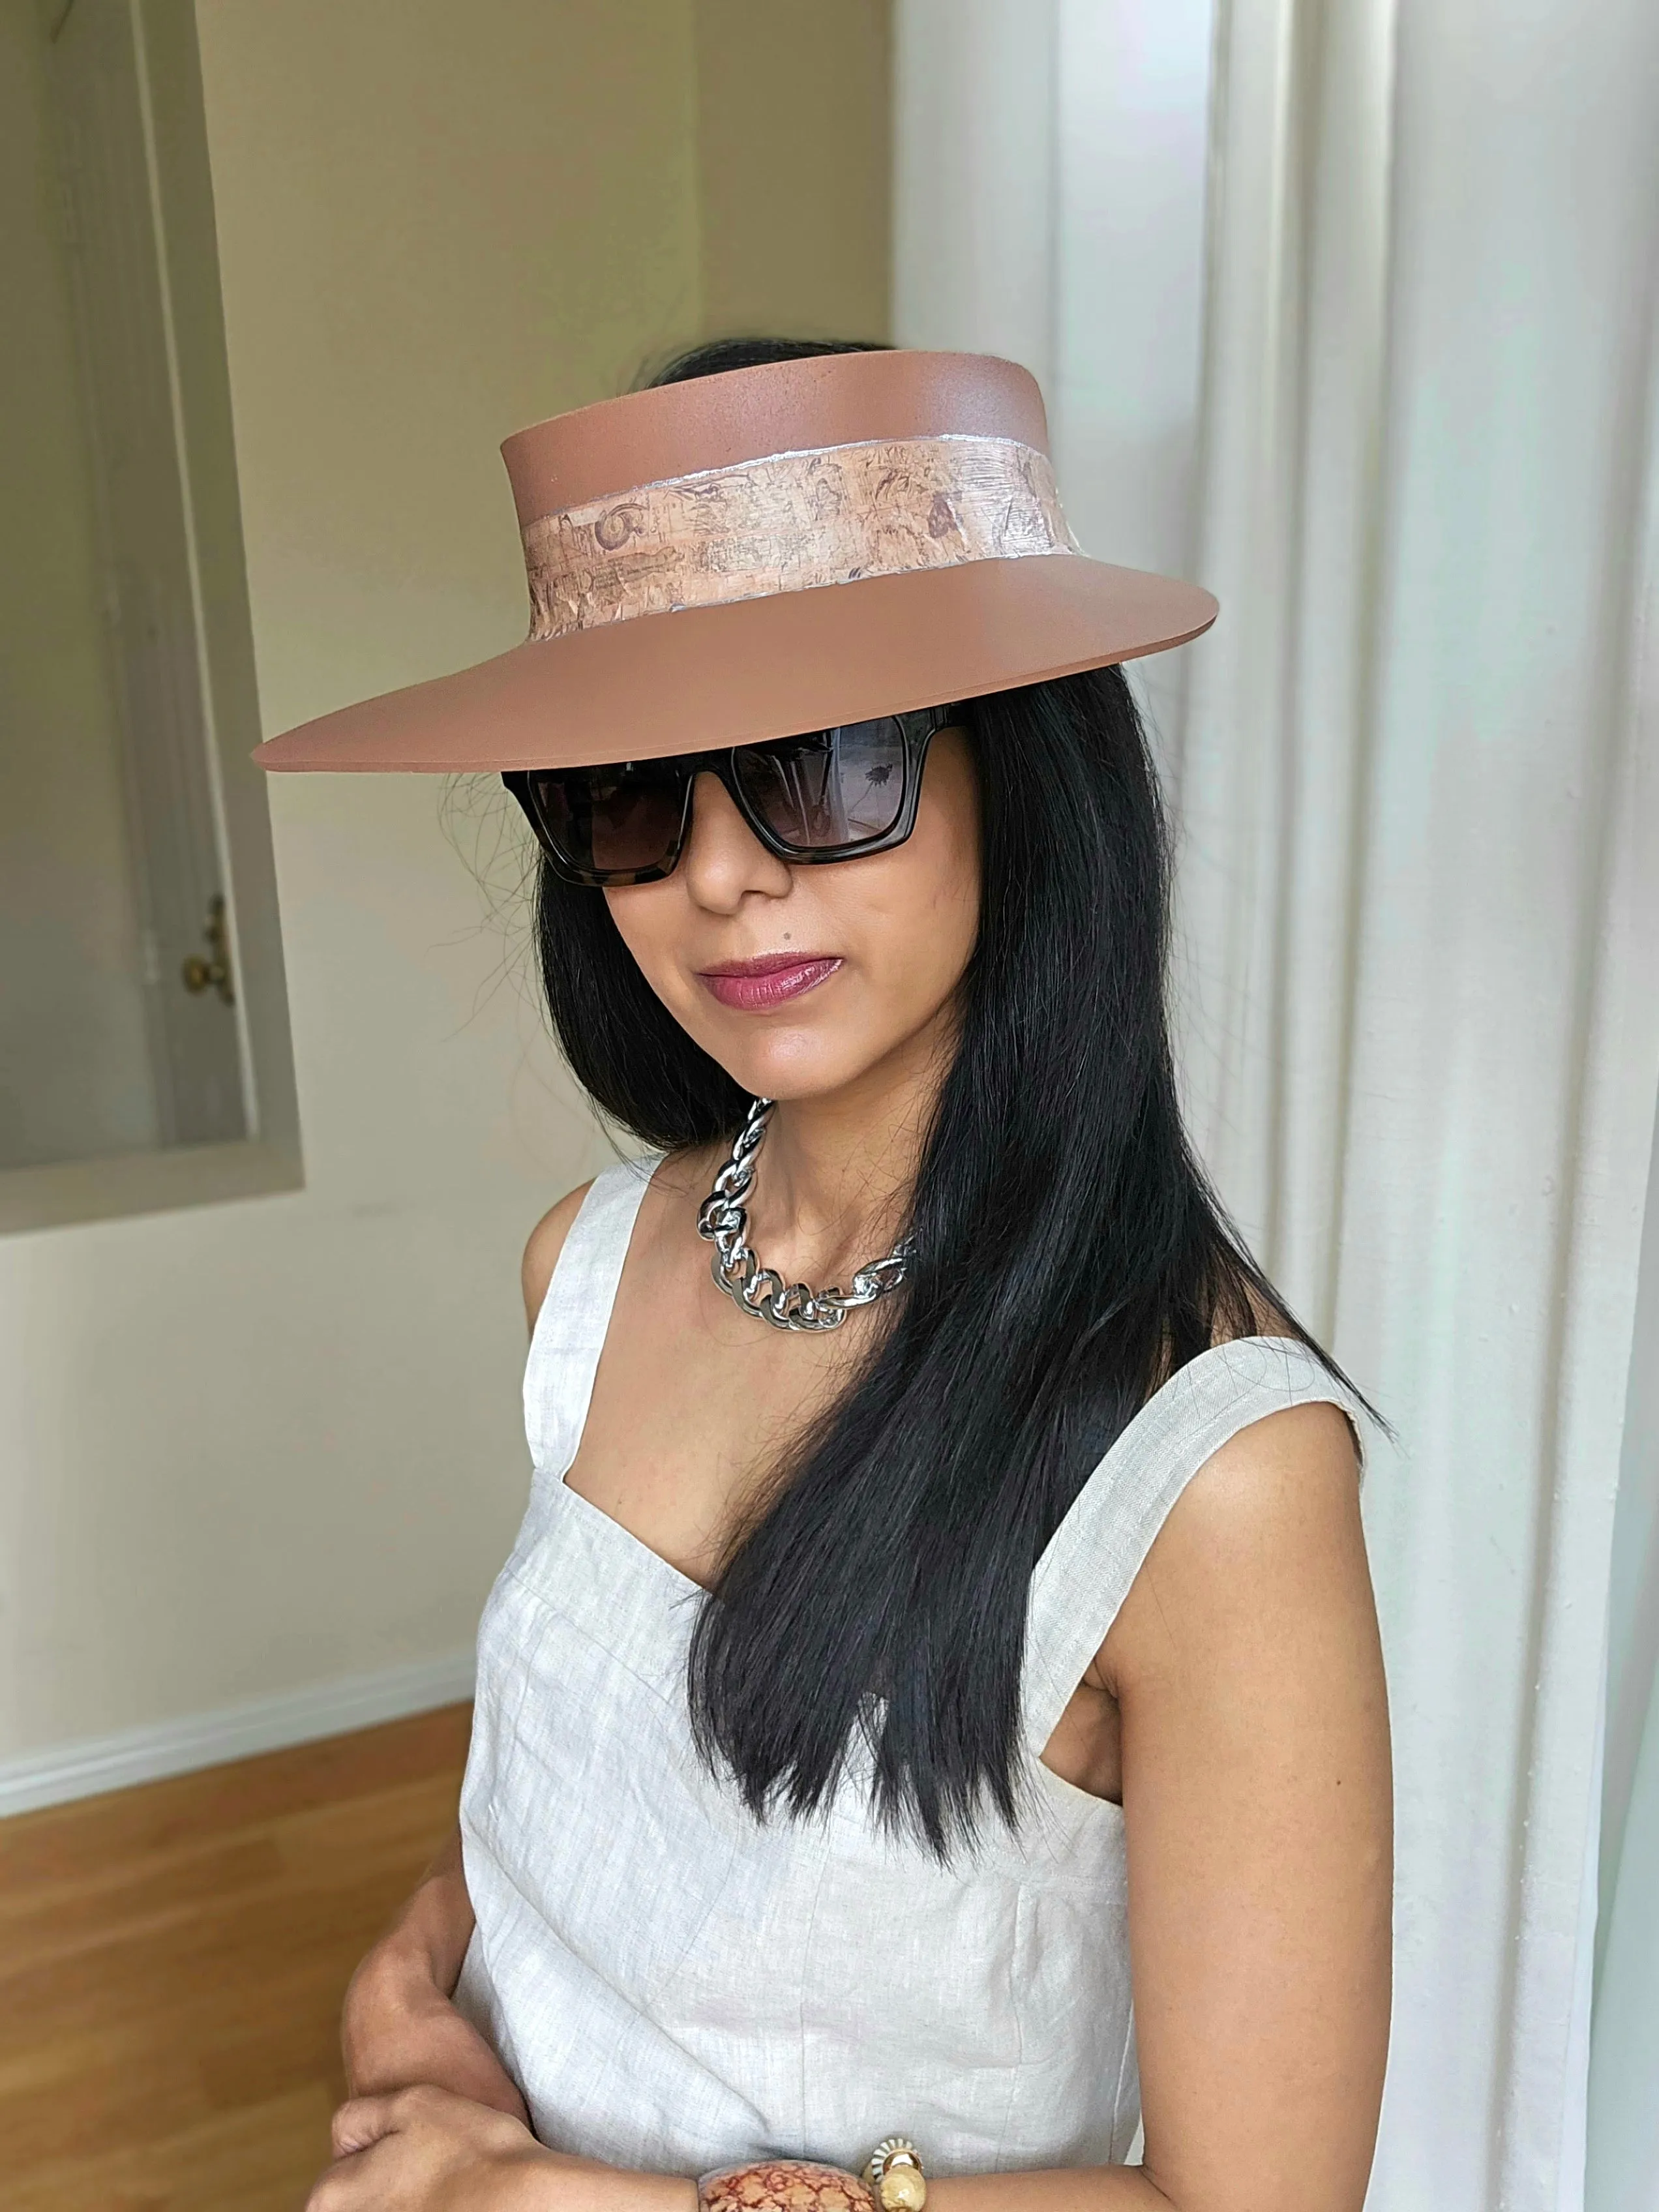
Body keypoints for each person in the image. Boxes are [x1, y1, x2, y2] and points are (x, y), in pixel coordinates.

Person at [260, 340, 1392, 2212]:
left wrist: (544, 2200)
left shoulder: (1210, 1473)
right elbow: (593, 1787)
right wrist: (417, 1983)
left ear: (1017, 776)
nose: (718, 872)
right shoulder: (587, 1267)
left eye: (825, 768)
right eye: (632, 795)